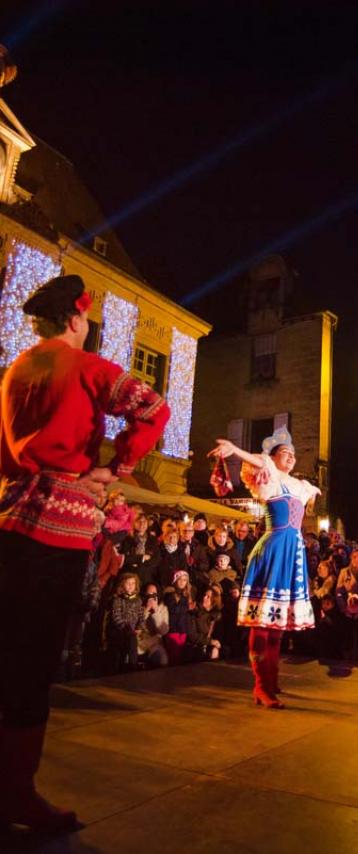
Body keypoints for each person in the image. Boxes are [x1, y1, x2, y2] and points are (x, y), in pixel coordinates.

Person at [0, 274, 169, 831]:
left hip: (9, 516)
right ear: (77, 318)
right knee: (32, 660)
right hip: (58, 527)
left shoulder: (16, 370)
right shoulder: (84, 366)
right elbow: (154, 407)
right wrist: (116, 465)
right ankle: (16, 793)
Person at [210, 427, 320, 708]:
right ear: (273, 457)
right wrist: (234, 449)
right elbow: (258, 460)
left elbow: (310, 492)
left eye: (294, 454)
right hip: (274, 550)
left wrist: (315, 490)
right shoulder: (269, 476)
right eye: (285, 453)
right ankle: (261, 686)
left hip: (292, 553)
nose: (291, 457)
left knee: (277, 623)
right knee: (263, 624)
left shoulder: (297, 484)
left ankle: (271, 679)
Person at [106, 573, 144, 673]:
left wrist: (139, 627)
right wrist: (125, 628)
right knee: (117, 656)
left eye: (133, 583)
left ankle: (133, 668)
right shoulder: (118, 600)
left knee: (132, 650)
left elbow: (141, 616)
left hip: (132, 633)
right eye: (128, 583)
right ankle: (115, 672)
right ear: (122, 585)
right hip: (119, 633)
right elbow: (116, 617)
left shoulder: (138, 600)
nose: (131, 585)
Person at [137, 583, 169, 668]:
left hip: (154, 645)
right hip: (140, 645)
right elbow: (136, 627)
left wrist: (156, 612)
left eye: (154, 594)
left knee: (163, 659)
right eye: (149, 595)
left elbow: (164, 631)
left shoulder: (163, 608)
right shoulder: (138, 607)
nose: (151, 597)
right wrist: (146, 610)